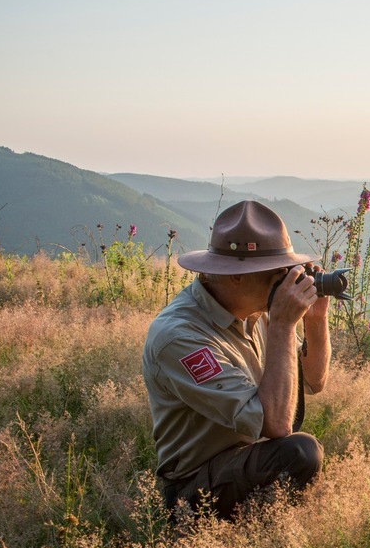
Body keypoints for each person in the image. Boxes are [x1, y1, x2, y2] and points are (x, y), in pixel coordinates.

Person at [142, 200, 331, 519]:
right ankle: (227, 539)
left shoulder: (256, 312)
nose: (287, 280)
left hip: (247, 456)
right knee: (300, 452)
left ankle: (265, 535)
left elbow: (314, 380)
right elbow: (276, 425)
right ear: (237, 276)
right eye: (278, 272)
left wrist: (315, 318)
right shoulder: (180, 337)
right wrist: (284, 324)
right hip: (193, 490)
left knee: (298, 453)